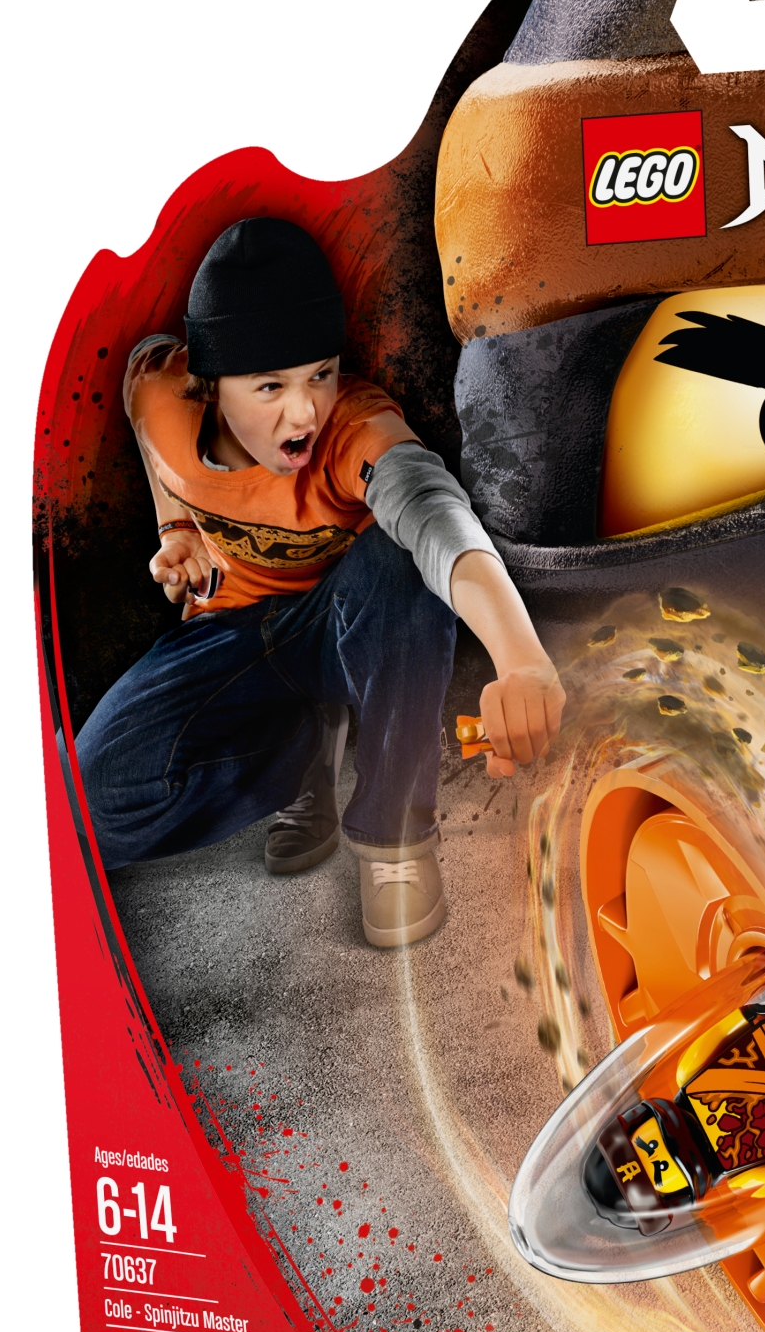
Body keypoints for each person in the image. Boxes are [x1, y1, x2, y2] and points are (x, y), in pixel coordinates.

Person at [74, 217, 563, 947]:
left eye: (320, 375)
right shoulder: (159, 390)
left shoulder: (355, 430)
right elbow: (144, 391)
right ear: (208, 385)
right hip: (228, 633)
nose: (303, 412)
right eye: (270, 386)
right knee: (94, 807)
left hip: (342, 629)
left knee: (399, 552)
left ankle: (395, 836)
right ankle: (300, 753)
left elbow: (436, 516)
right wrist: (175, 528)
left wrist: (520, 657)